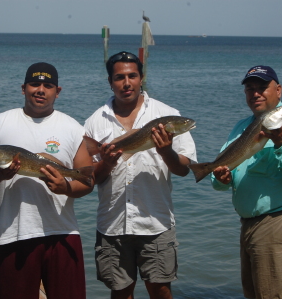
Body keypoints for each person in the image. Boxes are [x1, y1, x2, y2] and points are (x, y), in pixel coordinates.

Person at [0, 62, 94, 299]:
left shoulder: (72, 127)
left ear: (57, 91)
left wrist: (65, 187)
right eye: (34, 84)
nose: (40, 90)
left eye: (47, 85)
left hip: (63, 232)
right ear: (23, 88)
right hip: (15, 234)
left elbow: (87, 181)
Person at [84, 51, 197, 299]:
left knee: (161, 290)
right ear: (110, 81)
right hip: (112, 224)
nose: (127, 83)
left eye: (132, 76)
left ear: (142, 77)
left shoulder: (167, 114)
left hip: (156, 222)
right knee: (120, 292)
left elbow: (183, 168)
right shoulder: (94, 121)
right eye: (119, 77)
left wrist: (166, 151)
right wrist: (107, 163)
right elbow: (92, 179)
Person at [211, 65, 282, 299]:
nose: (256, 94)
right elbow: (218, 173)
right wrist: (221, 178)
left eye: (262, 88)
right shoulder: (242, 126)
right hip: (248, 225)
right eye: (250, 89)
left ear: (278, 90)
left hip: (277, 222)